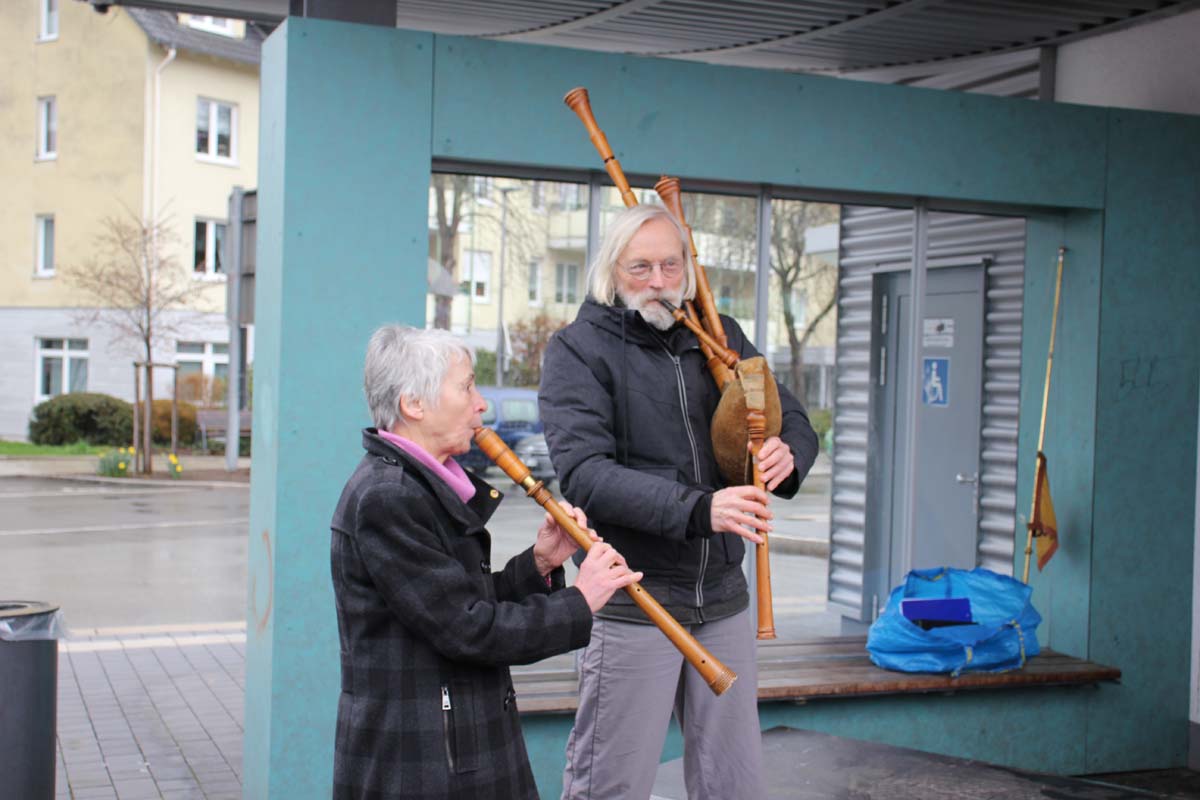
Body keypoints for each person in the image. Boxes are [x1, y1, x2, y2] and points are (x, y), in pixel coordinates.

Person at [540, 204, 819, 800]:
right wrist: (700, 509)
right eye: (640, 267)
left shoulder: (719, 333)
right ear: (611, 270)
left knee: (734, 785)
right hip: (633, 602)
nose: (659, 281)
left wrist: (788, 451)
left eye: (671, 265)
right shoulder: (578, 349)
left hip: (721, 600)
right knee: (609, 787)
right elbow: (585, 475)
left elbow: (790, 414)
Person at [331, 325, 641, 800]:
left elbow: (457, 602)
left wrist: (538, 564)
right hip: (424, 763)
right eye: (466, 387)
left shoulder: (417, 486)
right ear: (414, 404)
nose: (481, 405)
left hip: (456, 746)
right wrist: (581, 600)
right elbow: (468, 629)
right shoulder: (388, 497)